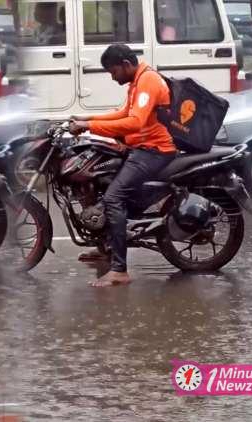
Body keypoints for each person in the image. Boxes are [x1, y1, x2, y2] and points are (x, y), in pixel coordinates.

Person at [69, 44, 176, 288]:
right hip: (142, 148)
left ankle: (119, 270)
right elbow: (123, 113)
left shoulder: (148, 80)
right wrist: (88, 120)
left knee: (113, 198)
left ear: (126, 65)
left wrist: (89, 126)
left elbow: (135, 122)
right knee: (103, 181)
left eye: (113, 71)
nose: (112, 76)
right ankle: (106, 246)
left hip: (155, 151)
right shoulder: (137, 82)